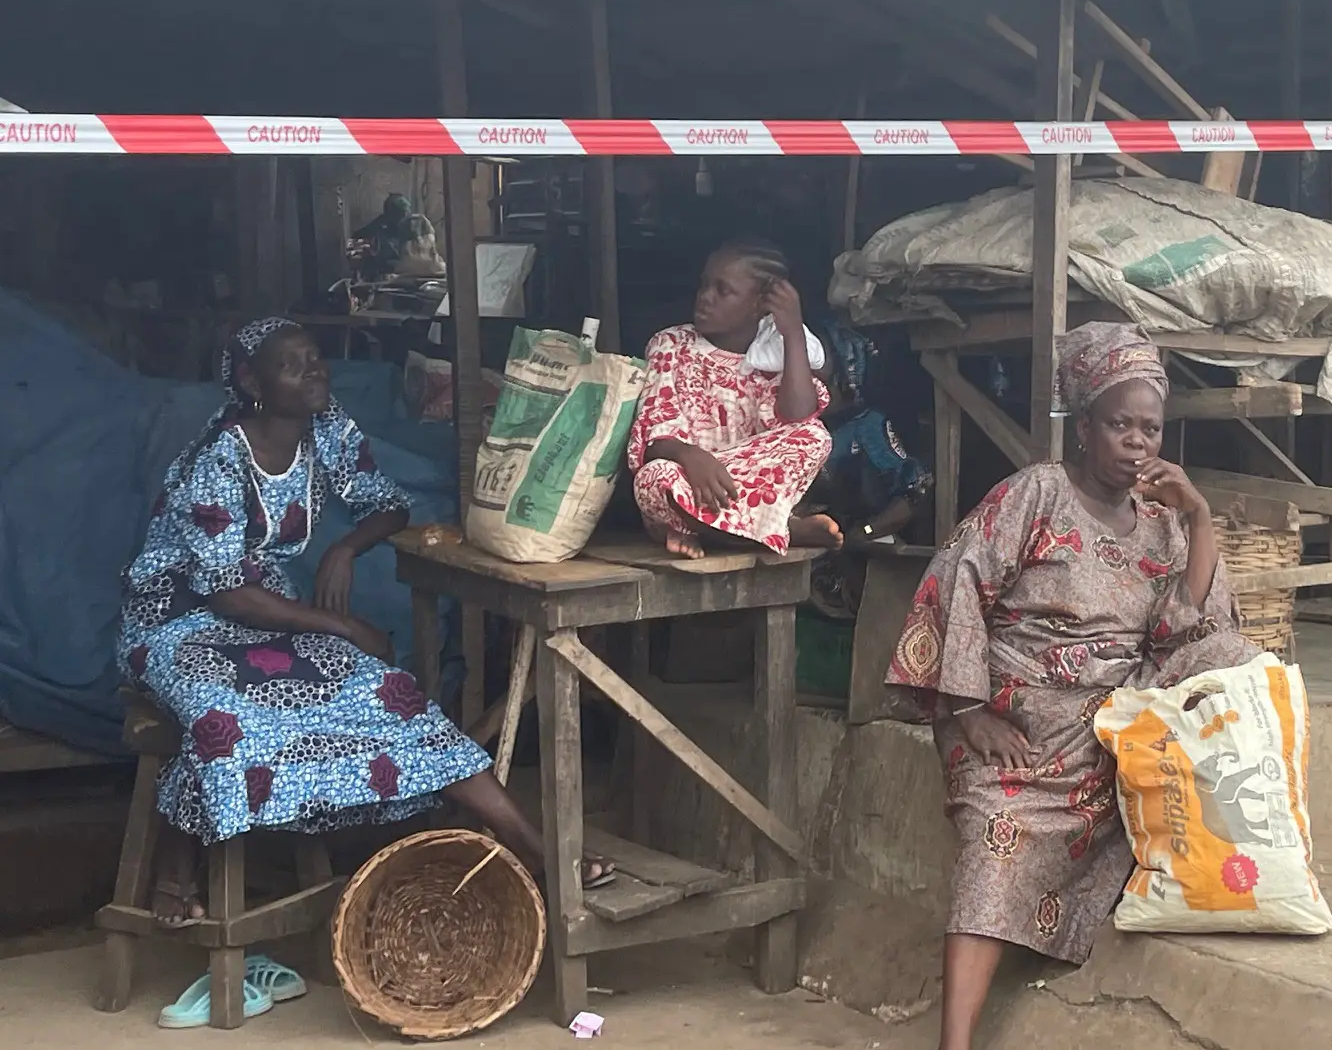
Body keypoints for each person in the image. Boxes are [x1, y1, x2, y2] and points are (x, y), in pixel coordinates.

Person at [120, 319, 610, 938]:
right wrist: (341, 626)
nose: (313, 371)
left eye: (314, 358)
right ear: (252, 383)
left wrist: (344, 549)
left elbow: (387, 503)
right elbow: (225, 592)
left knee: (391, 694)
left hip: (269, 617)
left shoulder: (327, 429)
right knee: (227, 713)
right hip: (177, 623)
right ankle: (176, 861)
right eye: (290, 365)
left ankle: (532, 847)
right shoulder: (216, 461)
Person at [885, 321, 1259, 1050]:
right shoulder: (1037, 494)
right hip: (1014, 719)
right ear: (1083, 426)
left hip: (1109, 718)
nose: (1135, 443)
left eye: (1149, 429)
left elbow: (1189, 630)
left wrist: (1199, 517)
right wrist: (969, 710)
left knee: (1236, 658)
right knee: (1002, 833)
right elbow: (953, 579)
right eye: (1118, 424)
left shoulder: (1162, 525)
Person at [628, 239, 838, 558]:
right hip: (687, 480)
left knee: (815, 437)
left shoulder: (771, 356)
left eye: (723, 290)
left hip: (740, 491)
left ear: (758, 305)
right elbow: (652, 435)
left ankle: (713, 531)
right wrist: (691, 457)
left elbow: (798, 418)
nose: (705, 297)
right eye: (704, 285)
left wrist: (792, 332)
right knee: (656, 478)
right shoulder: (671, 344)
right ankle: (779, 531)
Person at [802, 321, 933, 618]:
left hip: (851, 564)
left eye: (820, 377)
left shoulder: (868, 427)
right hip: (801, 558)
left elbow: (917, 489)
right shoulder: (792, 423)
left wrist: (866, 531)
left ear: (847, 380)